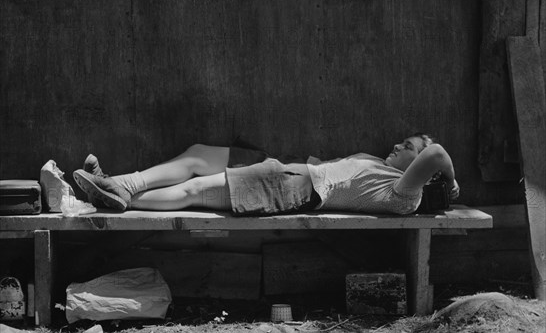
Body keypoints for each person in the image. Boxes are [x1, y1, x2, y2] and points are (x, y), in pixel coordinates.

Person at [72, 134, 460, 215]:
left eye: (408, 147)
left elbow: (439, 153)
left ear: (422, 169)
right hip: (285, 168)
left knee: (192, 189)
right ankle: (119, 184)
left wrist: (453, 181)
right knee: (195, 155)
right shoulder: (376, 165)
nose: (397, 144)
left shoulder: (405, 194)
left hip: (290, 187)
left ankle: (113, 194)